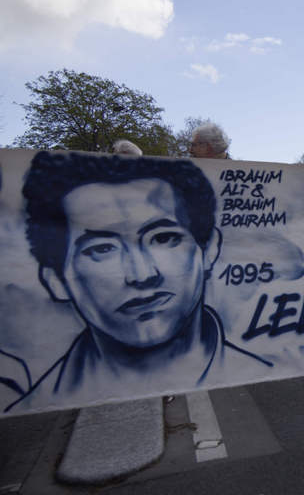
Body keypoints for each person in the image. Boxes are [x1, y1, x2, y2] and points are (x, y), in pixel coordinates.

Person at [5, 152, 272, 412]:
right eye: (102, 249)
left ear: (209, 250)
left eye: (164, 238)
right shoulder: (36, 399)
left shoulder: (267, 366)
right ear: (56, 281)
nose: (142, 275)